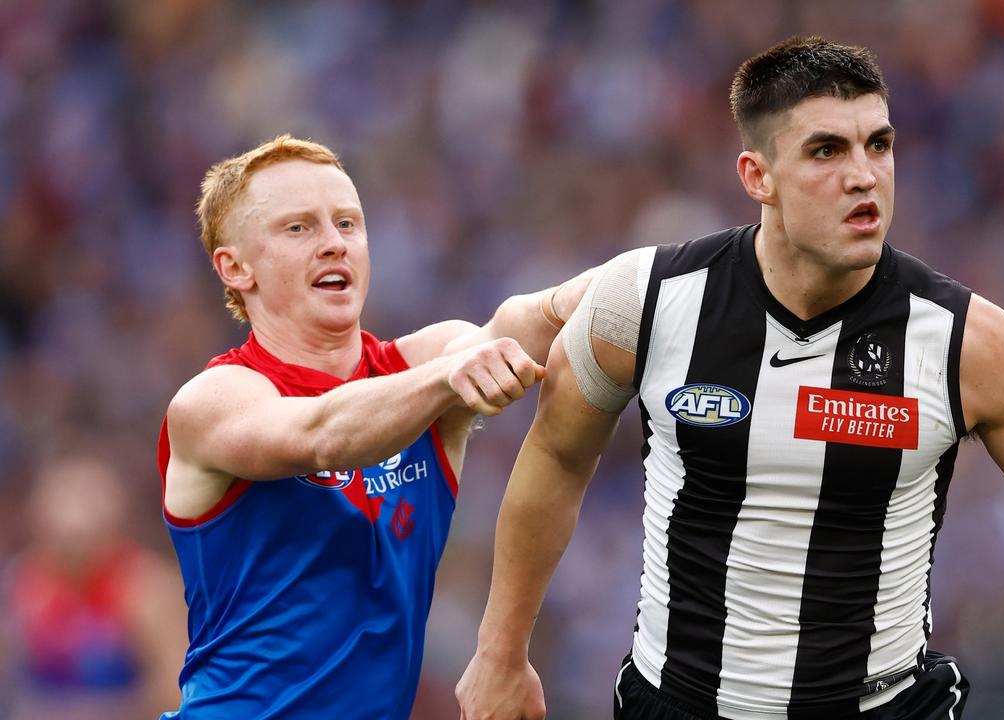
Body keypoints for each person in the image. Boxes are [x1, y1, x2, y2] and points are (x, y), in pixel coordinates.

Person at [456, 37, 1004, 720]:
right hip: (678, 702)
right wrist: (500, 653)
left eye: (878, 145)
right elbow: (554, 458)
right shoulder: (648, 300)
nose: (864, 175)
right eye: (827, 150)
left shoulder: (969, 342)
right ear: (757, 176)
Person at [158, 135, 590, 719]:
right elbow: (321, 436)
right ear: (236, 267)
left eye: (347, 224)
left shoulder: (424, 360)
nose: (334, 243)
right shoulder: (212, 401)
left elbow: (523, 321)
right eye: (298, 229)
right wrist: (447, 379)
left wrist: (669, 273)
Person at [3, 454, 187, 720]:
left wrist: (92, 712)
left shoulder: (147, 589)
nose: (70, 553)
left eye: (81, 538)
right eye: (57, 539)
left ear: (112, 528)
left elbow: (179, 691)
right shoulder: (25, 582)